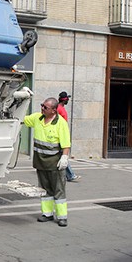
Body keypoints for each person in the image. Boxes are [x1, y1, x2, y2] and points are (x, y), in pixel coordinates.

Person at [24, 97, 71, 227]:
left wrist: (64, 158)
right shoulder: (37, 118)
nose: (42, 109)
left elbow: (66, 144)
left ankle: (62, 217)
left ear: (54, 110)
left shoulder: (60, 123)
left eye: (45, 107)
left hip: (55, 164)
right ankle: (47, 214)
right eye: (42, 106)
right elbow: (22, 119)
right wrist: (21, 100)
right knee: (44, 190)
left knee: (58, 190)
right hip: (41, 163)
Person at [57, 91, 79, 181]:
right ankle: (70, 175)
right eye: (67, 99)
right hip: (61, 135)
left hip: (62, 134)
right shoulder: (59, 109)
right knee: (63, 155)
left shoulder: (60, 107)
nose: (68, 100)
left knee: (61, 155)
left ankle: (69, 175)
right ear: (64, 100)